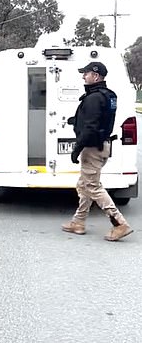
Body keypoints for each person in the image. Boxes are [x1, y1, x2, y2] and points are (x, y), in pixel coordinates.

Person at [62, 61, 133, 241]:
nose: (83, 76)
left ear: (95, 76)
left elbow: (91, 127)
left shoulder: (94, 98)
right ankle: (78, 222)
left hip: (92, 148)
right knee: (84, 184)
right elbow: (100, 120)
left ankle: (119, 223)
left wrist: (76, 149)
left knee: (92, 186)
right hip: (101, 145)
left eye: (85, 73)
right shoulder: (108, 96)